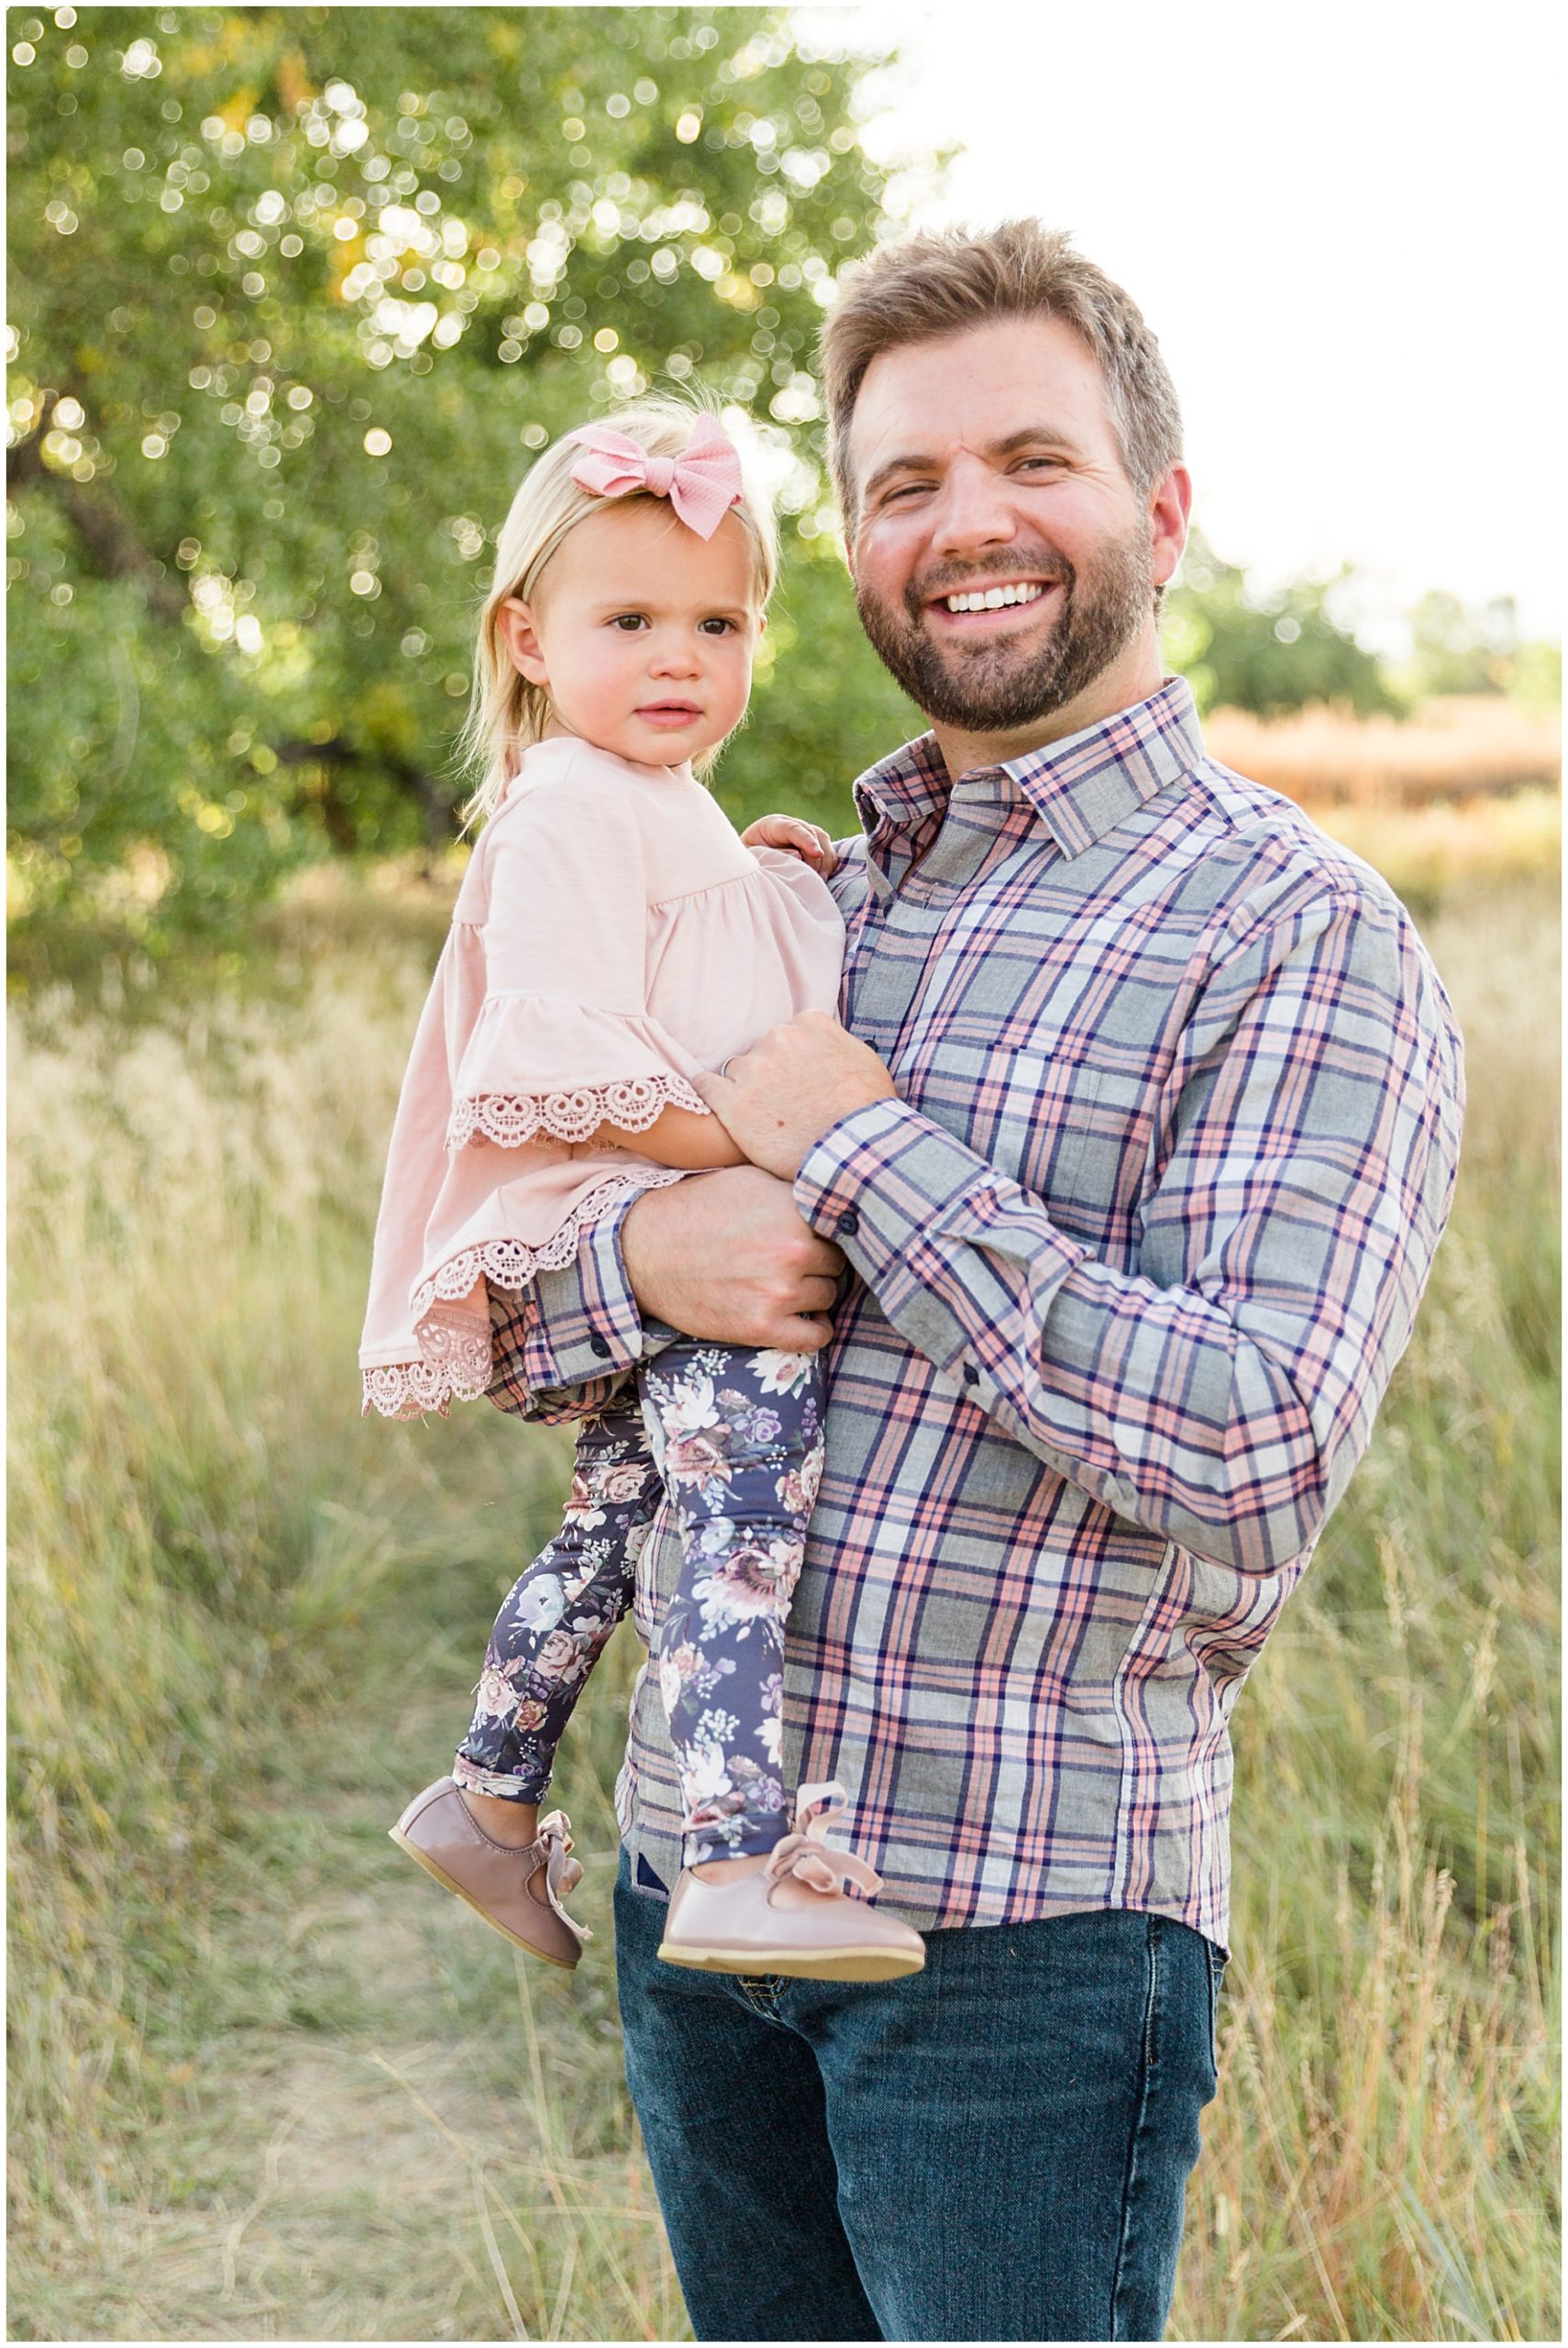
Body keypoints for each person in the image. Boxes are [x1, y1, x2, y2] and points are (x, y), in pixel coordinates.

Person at [483, 222, 1466, 2342]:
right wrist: (645, 1251)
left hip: (1019, 1934)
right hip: (699, 1879)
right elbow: (507, 1310)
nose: (967, 524)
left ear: (1163, 511)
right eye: (905, 482)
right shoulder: (789, 889)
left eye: (1034, 458)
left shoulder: (1296, 935)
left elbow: (1255, 1436)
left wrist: (855, 1145)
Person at [359, 399, 924, 1985]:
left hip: (646, 1232)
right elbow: (562, 1051)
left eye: (717, 622)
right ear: (526, 637)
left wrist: (768, 881)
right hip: (651, 1231)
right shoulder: (565, 804)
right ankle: (738, 1857)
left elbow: (681, 968)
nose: (681, 656)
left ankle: (485, 1796)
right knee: (744, 1509)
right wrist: (758, 1151)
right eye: (630, 621)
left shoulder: (647, 798)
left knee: (623, 1518)